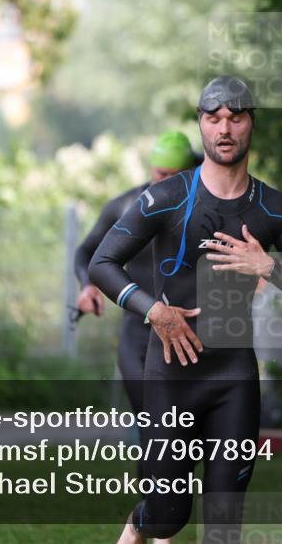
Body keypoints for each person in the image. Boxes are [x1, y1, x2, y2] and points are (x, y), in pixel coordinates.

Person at [88, 76, 282, 544]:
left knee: (224, 525)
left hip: (234, 377)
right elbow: (102, 263)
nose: (224, 128)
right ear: (201, 124)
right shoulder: (167, 197)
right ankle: (137, 527)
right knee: (166, 516)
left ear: (250, 125)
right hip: (171, 375)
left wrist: (271, 266)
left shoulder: (273, 207)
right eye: (213, 118)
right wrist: (153, 311)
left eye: (235, 117)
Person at [74, 130, 199, 415]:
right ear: (151, 169)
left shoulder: (204, 208)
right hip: (138, 335)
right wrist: (87, 285)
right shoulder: (127, 206)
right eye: (160, 174)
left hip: (189, 334)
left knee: (186, 434)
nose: (166, 182)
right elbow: (86, 252)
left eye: (176, 175)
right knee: (153, 430)